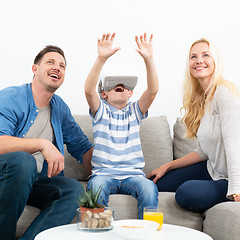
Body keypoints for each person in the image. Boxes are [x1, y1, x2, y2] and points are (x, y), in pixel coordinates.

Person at [0, 45, 93, 240]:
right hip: (6, 175)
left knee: (74, 189)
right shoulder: (11, 97)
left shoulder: (59, 108)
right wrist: (42, 144)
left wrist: (112, 168)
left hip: (32, 180)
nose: (57, 67)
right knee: (24, 161)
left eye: (62, 65)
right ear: (35, 69)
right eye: (50, 62)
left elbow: (82, 148)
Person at [147, 38, 240, 213]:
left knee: (186, 193)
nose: (199, 60)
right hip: (213, 171)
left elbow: (234, 145)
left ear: (216, 61)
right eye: (193, 57)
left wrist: (236, 191)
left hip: (233, 177)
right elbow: (205, 151)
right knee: (157, 183)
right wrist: (167, 166)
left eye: (206, 55)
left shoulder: (224, 92)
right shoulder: (203, 98)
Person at [84, 32, 159, 219]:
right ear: (104, 94)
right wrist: (101, 58)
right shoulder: (101, 111)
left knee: (149, 188)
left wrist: (149, 59)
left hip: (133, 175)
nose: (120, 85)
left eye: (125, 85)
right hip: (103, 174)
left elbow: (153, 90)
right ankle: (97, 232)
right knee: (95, 189)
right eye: (113, 84)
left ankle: (147, 233)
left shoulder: (135, 112)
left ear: (131, 94)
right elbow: (88, 89)